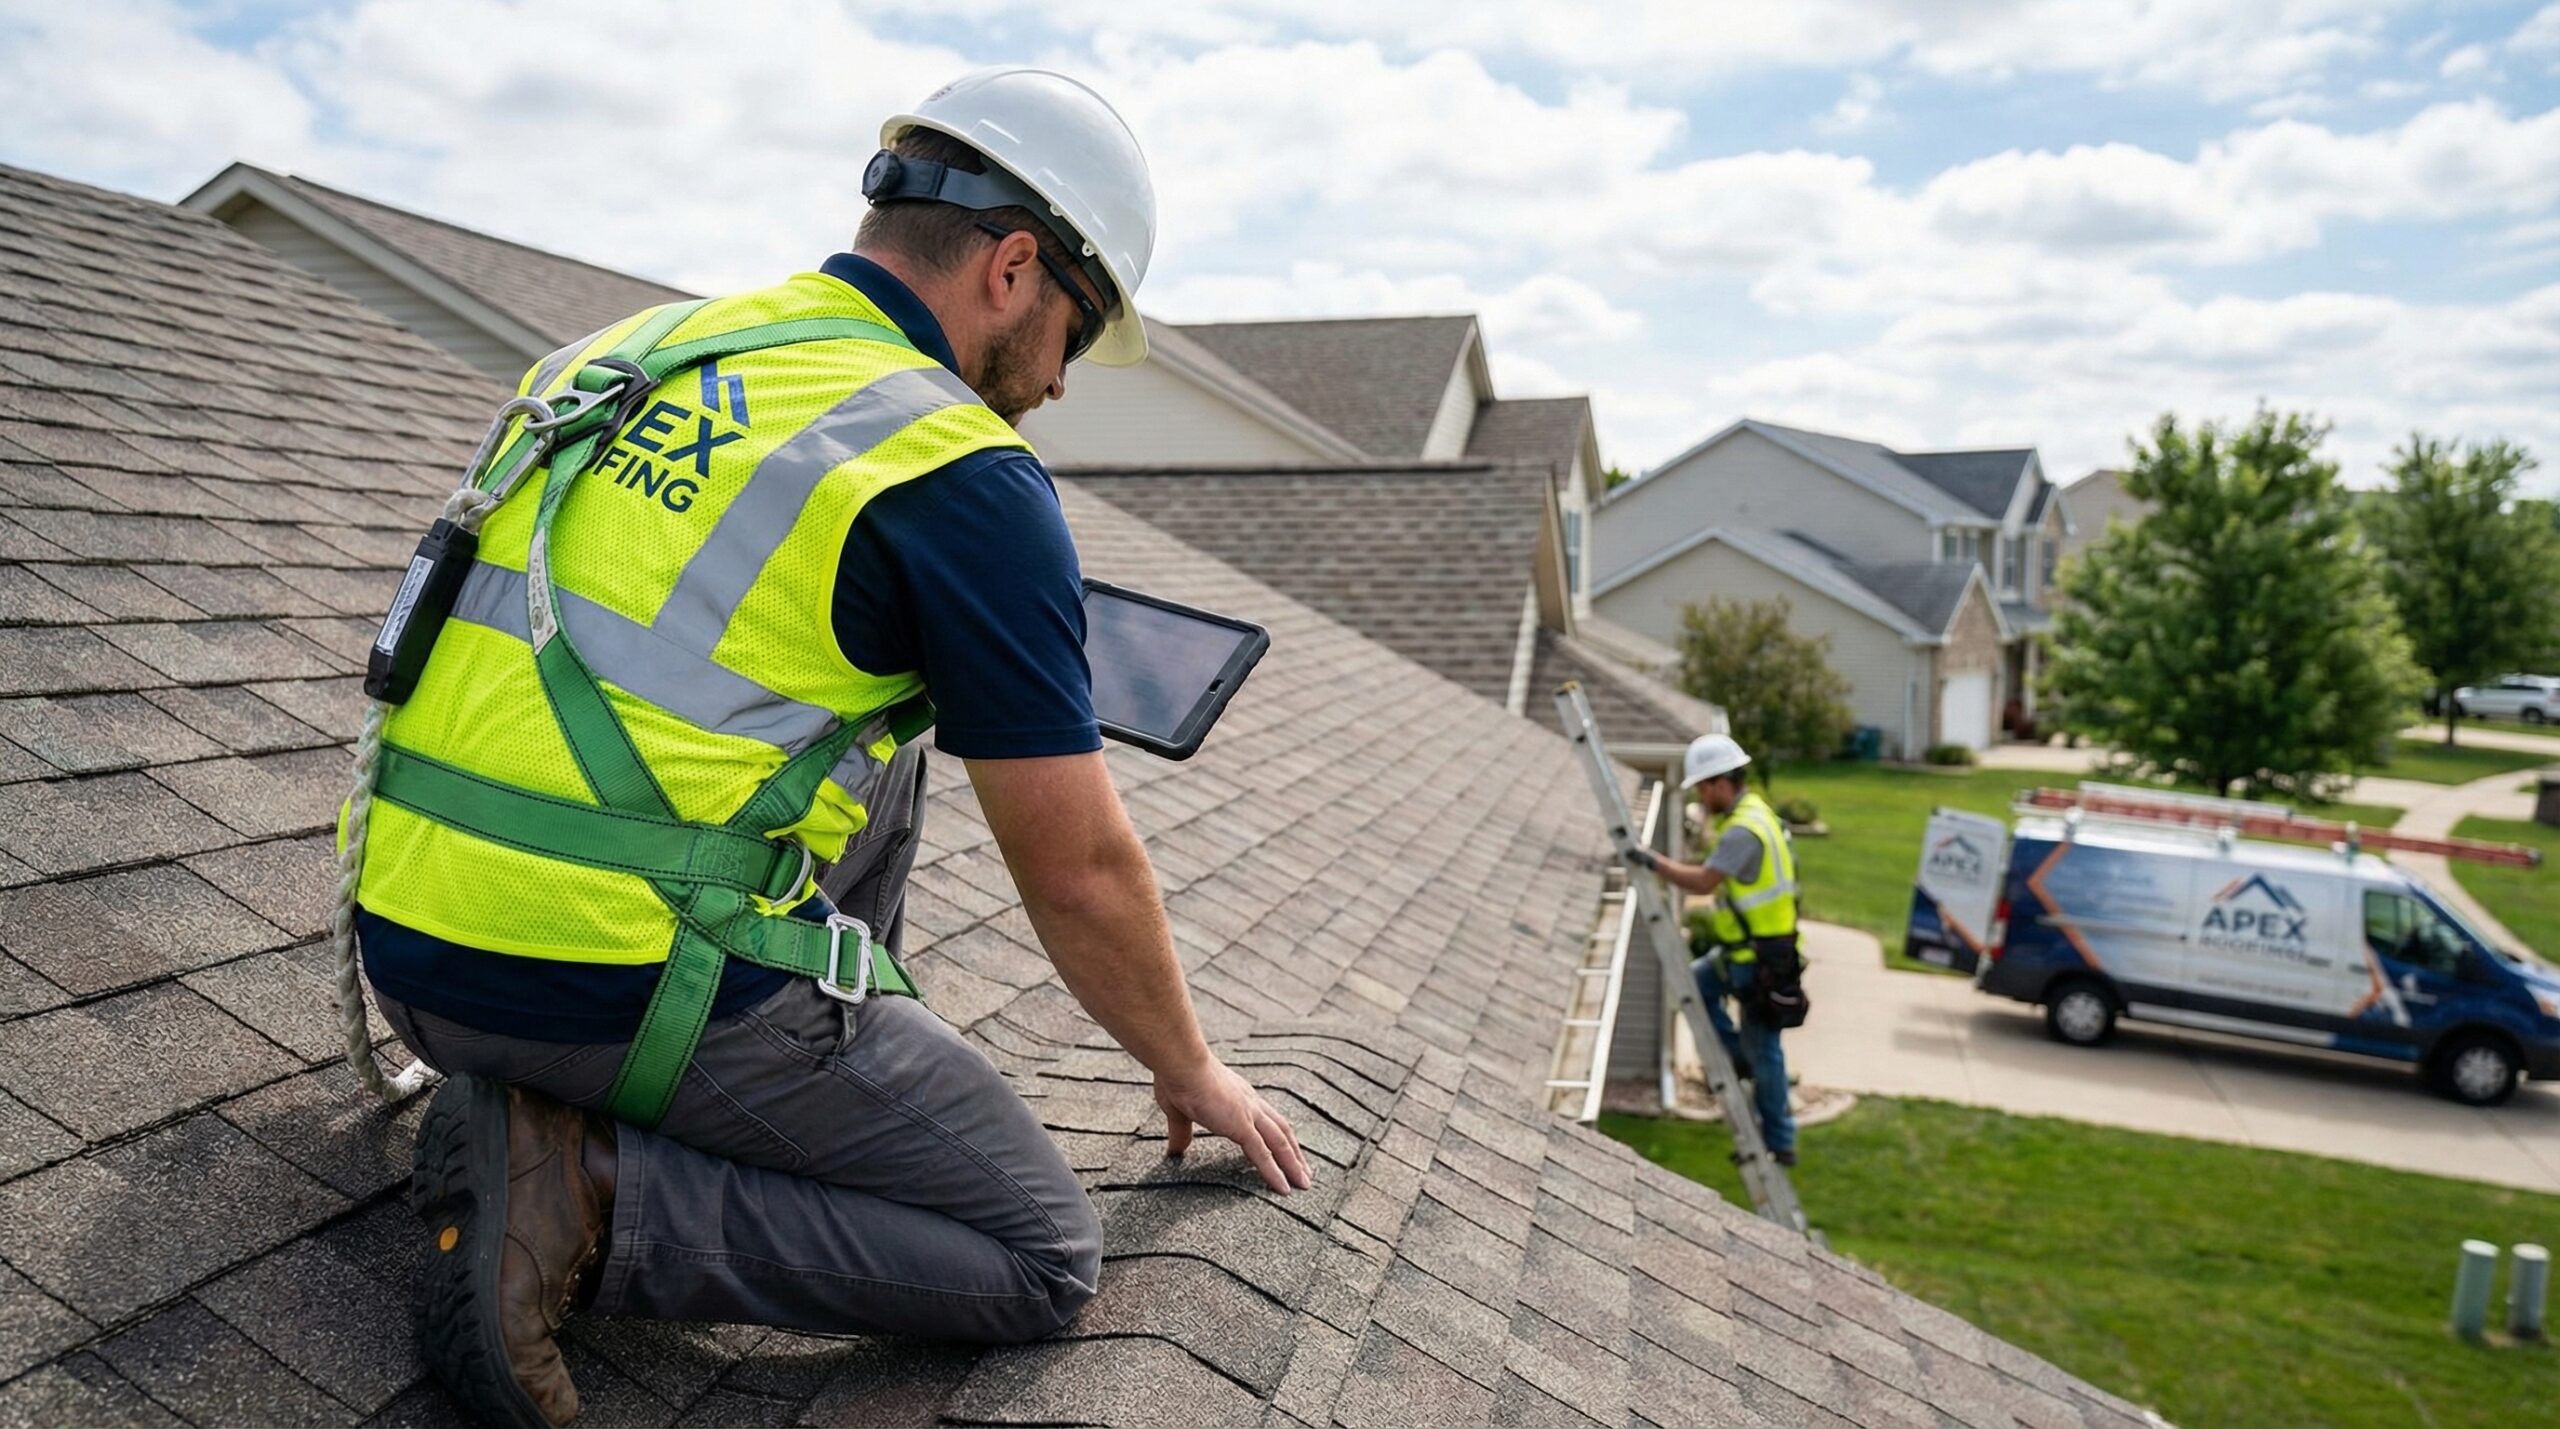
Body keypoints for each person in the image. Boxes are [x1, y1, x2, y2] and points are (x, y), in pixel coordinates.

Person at [346, 69, 1310, 1428]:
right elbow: (1081, 868)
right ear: (1016, 267)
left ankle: (645, 1096)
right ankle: (583, 1195)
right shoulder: (959, 471)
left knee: (884, 710)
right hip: (586, 982)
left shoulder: (640, 347)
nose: (1055, 384)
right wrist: (1189, 1064)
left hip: (414, 941)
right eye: (1071, 340)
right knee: (1040, 1251)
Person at [1626, 734, 1806, 1166]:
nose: (1703, 799)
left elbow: (1705, 882)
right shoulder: (1755, 813)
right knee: (1697, 982)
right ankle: (1738, 1057)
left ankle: (1779, 1143)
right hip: (1750, 953)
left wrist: (1652, 862)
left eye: (1704, 789)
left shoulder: (1743, 831)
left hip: (1757, 959)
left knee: (1765, 1051)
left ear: (1722, 782)